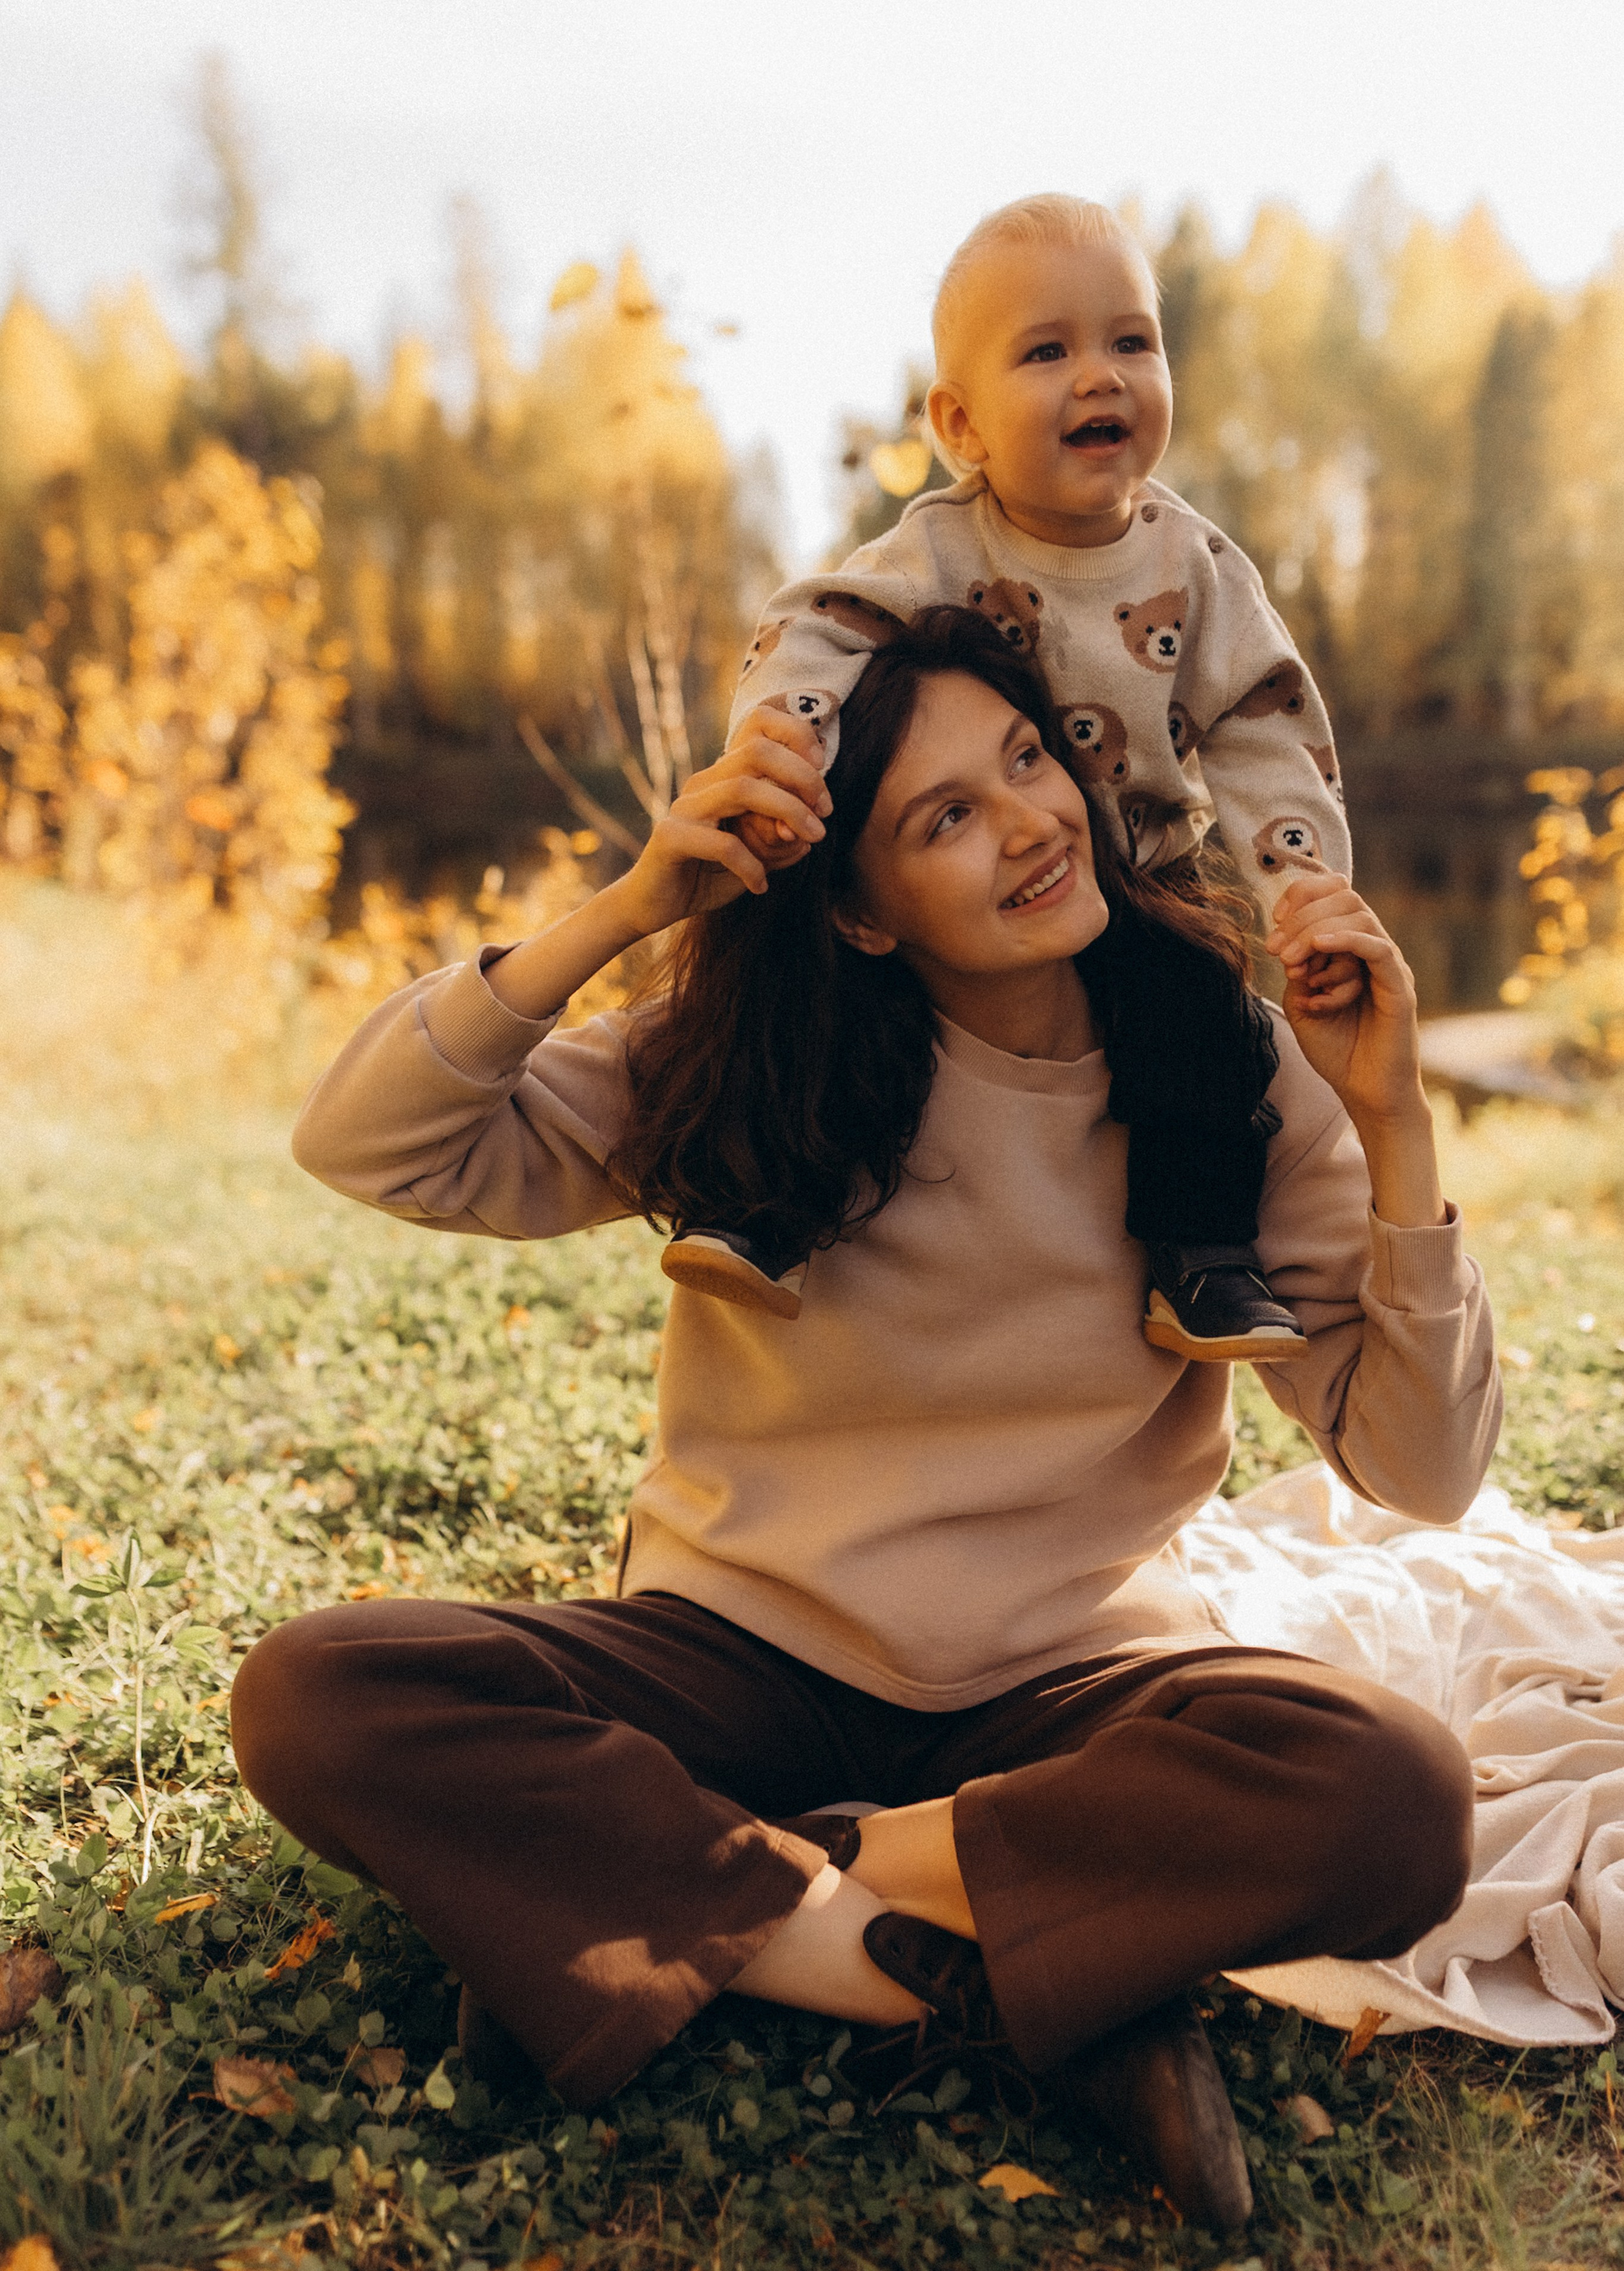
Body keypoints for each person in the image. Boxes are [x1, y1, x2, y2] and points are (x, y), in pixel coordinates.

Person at [232, 610, 1496, 2234]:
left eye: (1028, 759)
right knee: (321, 1694)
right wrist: (627, 911)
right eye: (943, 817)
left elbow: (1422, 1468)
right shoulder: (754, 1064)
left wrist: (1387, 1123)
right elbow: (374, 1145)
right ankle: (976, 1981)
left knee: (1391, 1789)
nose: (1029, 821)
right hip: (735, 1655)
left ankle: (728, 1896)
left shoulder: (1222, 1072)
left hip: (1069, 1683)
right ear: (858, 908)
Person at [666, 193, 1356, 1367]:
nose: (1101, 376)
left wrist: (1299, 884)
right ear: (963, 423)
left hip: (1141, 867)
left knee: (1208, 1023)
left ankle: (1201, 1260)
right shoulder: (937, 550)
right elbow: (819, 628)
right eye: (1048, 352)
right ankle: (770, 1205)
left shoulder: (1198, 566)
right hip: (973, 874)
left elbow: (1260, 725)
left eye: (1131, 341)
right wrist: (782, 742)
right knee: (840, 1000)